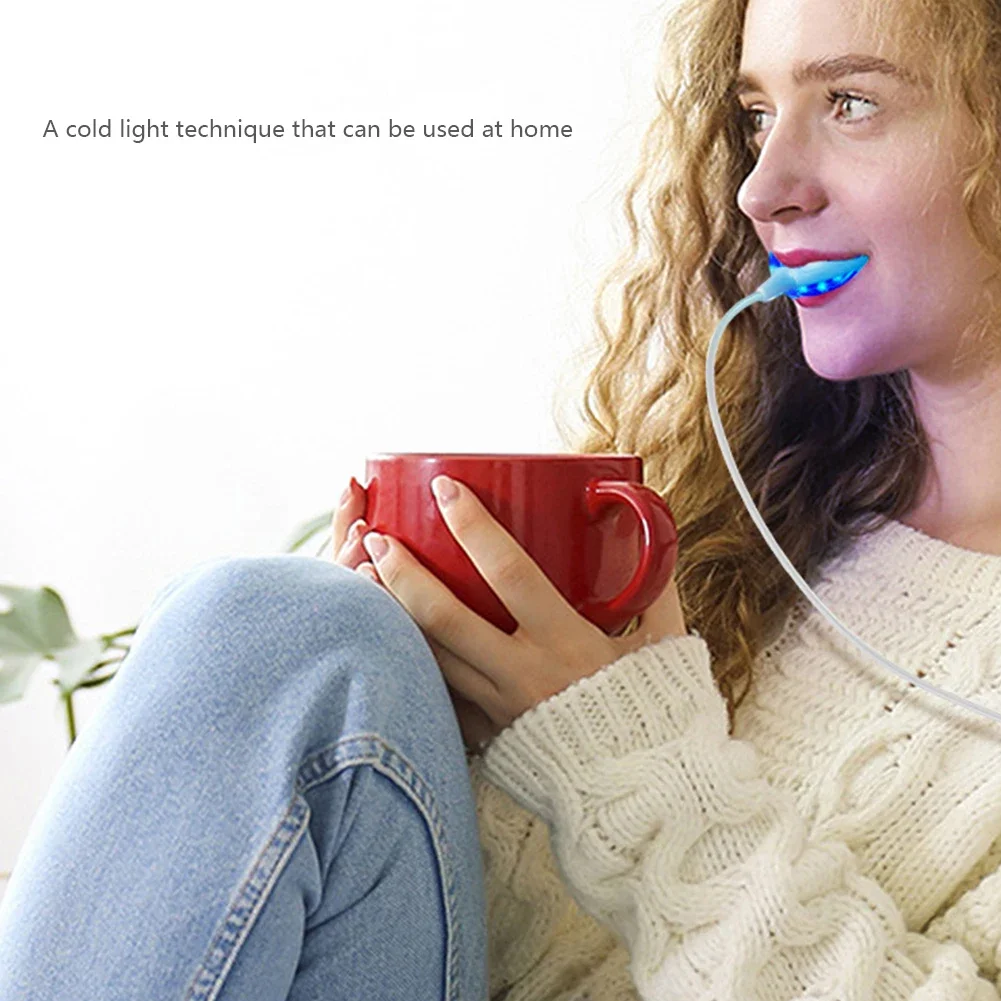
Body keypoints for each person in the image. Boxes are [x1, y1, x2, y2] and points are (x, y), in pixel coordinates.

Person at [3, 0, 1001, 996]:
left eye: (851, 102)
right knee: (281, 628)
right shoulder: (744, 513)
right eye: (754, 116)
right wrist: (435, 722)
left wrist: (633, 761)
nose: (760, 189)